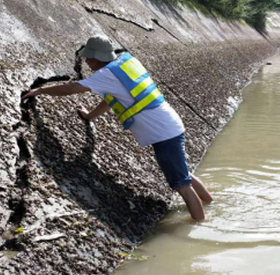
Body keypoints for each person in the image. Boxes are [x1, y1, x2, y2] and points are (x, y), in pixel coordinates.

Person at [22, 35, 213, 221]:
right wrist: (89, 116)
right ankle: (210, 204)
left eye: (89, 57)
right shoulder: (124, 63)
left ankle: (198, 225)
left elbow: (70, 89)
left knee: (182, 186)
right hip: (169, 125)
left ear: (98, 57)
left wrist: (40, 90)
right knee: (184, 175)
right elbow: (111, 100)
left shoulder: (106, 74)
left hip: (164, 134)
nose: (86, 61)